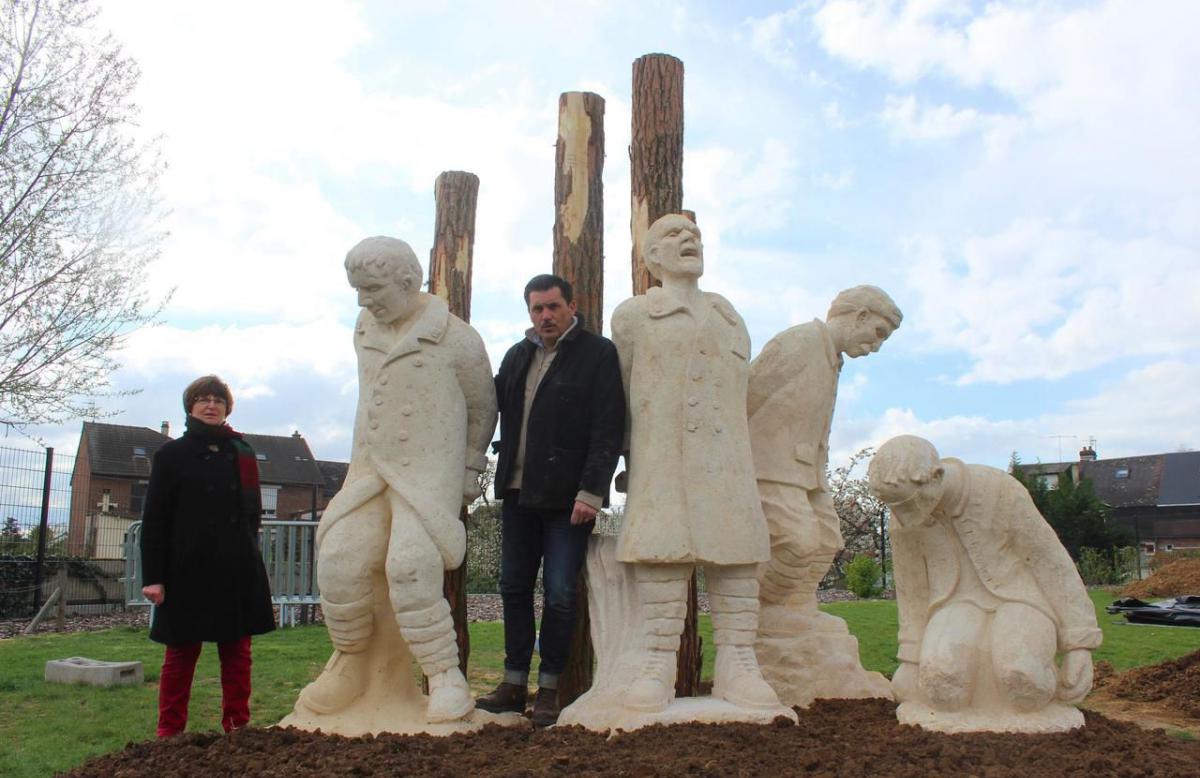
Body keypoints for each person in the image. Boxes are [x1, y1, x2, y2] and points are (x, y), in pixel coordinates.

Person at [297, 236, 496, 724]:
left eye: (373, 289)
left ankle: (445, 675)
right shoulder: (365, 328)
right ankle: (349, 663)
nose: (363, 301)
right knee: (340, 559)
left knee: (410, 567)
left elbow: (482, 407)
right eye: (358, 290)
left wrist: (470, 469)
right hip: (369, 468)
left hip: (427, 473)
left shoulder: (457, 338)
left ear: (408, 282)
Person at [610, 214, 781, 713]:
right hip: (661, 457)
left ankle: (738, 662)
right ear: (652, 257)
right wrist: (627, 456)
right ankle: (656, 663)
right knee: (662, 556)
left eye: (695, 235)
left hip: (726, 460)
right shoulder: (634, 316)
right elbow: (620, 393)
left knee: (737, 559)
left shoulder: (728, 316)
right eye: (673, 235)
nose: (689, 239)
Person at [868, 435, 1101, 726]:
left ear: (936, 477)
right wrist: (910, 659)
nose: (901, 516)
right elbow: (911, 589)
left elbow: (1051, 563)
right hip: (953, 605)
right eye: (892, 506)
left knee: (1023, 681)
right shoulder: (904, 520)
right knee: (941, 687)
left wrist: (1078, 645)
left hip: (1020, 600)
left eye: (906, 504)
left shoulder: (999, 491)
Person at [477, 274, 624, 726]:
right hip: (517, 492)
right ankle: (513, 683)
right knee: (513, 587)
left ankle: (549, 689)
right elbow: (488, 405)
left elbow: (609, 425)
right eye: (537, 309)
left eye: (553, 307)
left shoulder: (598, 354)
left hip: (568, 500)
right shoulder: (517, 356)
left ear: (571, 307)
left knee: (560, 594)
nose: (545, 316)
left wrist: (592, 491)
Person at [749, 285, 902, 613]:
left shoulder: (832, 359)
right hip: (770, 466)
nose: (876, 346)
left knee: (827, 540)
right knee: (798, 540)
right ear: (861, 316)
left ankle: (796, 609)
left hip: (809, 473)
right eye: (878, 333)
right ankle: (763, 611)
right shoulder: (801, 341)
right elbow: (747, 394)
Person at [140, 375, 275, 738]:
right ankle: (169, 733)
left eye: (218, 400)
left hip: (236, 567)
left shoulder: (242, 452)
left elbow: (252, 514)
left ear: (227, 408)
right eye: (203, 399)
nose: (211, 405)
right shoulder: (171, 455)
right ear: (191, 407)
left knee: (238, 653)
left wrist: (248, 555)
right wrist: (153, 577)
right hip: (186, 569)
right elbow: (154, 519)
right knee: (180, 655)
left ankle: (238, 727)